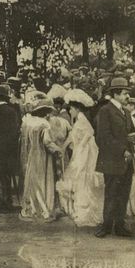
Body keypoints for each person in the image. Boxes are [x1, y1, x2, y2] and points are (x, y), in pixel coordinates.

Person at [56, 89, 105, 227]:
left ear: (77, 108)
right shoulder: (79, 119)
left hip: (86, 153)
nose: (70, 111)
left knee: (83, 179)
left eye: (71, 109)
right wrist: (65, 147)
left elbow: (90, 133)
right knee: (79, 180)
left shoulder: (82, 119)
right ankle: (80, 209)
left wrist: (80, 147)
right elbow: (72, 136)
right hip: (81, 150)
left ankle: (86, 212)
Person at [94, 76, 135, 238]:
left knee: (123, 194)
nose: (128, 97)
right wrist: (122, 151)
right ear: (116, 94)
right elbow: (103, 137)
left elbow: (131, 131)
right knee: (112, 193)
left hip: (126, 161)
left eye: (128, 93)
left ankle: (119, 226)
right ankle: (106, 226)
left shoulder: (126, 112)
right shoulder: (105, 111)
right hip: (112, 161)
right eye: (125, 93)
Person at [19, 97, 64, 221]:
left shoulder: (27, 122)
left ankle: (32, 208)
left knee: (32, 182)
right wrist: (58, 150)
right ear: (44, 111)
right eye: (48, 111)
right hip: (43, 156)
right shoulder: (44, 124)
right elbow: (47, 142)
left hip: (30, 155)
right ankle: (44, 209)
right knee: (44, 182)